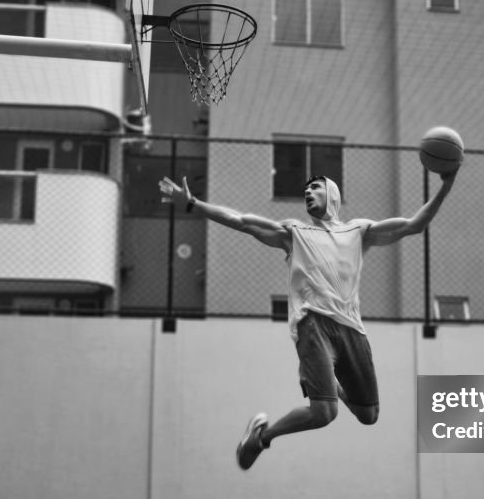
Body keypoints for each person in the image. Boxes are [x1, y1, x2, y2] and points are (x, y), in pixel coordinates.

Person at [158, 167, 459, 470]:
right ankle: (262, 437)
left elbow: (414, 225)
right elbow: (242, 221)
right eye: (306, 190)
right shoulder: (295, 234)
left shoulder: (359, 231)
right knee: (325, 413)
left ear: (333, 195)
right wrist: (193, 204)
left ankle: (330, 380)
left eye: (315, 187)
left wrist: (447, 184)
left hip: (353, 330)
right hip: (313, 324)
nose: (308, 192)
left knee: (369, 416)